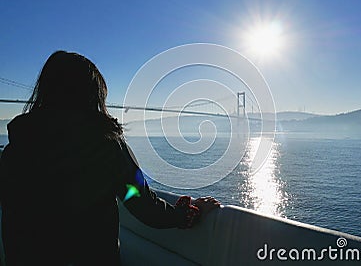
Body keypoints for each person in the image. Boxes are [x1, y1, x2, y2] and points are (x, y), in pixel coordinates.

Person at [0, 51, 220, 266]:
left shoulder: (16, 149)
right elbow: (145, 207)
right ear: (91, 95)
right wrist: (190, 213)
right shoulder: (105, 146)